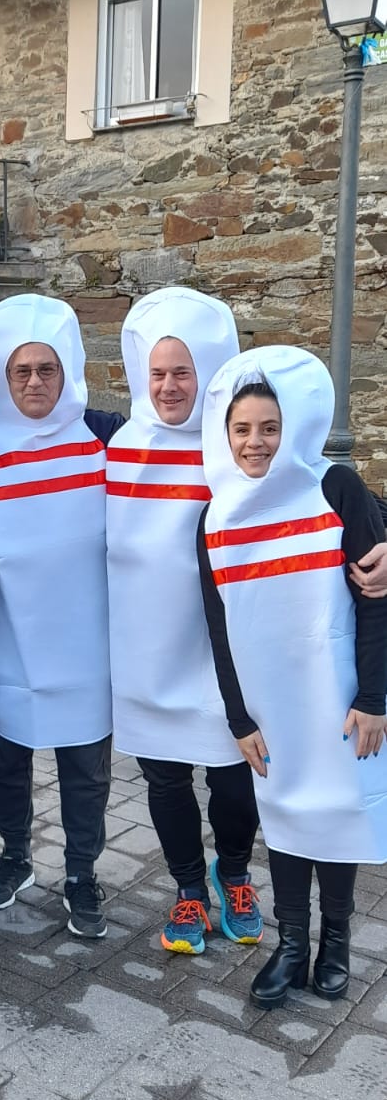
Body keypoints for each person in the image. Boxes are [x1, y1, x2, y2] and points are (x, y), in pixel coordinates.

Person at [198, 346, 387, 1007]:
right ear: (225, 434)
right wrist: (238, 718)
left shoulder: (334, 487)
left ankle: (336, 943)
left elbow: (375, 597)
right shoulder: (217, 516)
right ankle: (291, 945)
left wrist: (373, 696)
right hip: (269, 707)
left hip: (337, 699)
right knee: (283, 818)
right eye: (242, 429)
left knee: (331, 816)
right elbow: (217, 625)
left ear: (295, 428)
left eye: (269, 428)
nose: (255, 442)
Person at [106, 287, 262, 954]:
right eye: (159, 373)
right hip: (145, 647)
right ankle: (189, 889)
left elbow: (322, 492)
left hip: (222, 649)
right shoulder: (114, 448)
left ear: (207, 373)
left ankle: (235, 873)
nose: (169, 386)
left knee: (232, 773)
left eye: (183, 372)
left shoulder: (233, 444)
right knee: (165, 776)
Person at [0, 293, 123, 937]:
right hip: (13, 634)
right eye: (20, 371)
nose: (34, 382)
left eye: (47, 369)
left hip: (89, 638)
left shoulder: (106, 434)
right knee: (10, 758)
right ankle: (14, 856)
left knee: (84, 767)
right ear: (1, 379)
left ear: (69, 373)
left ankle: (83, 871)